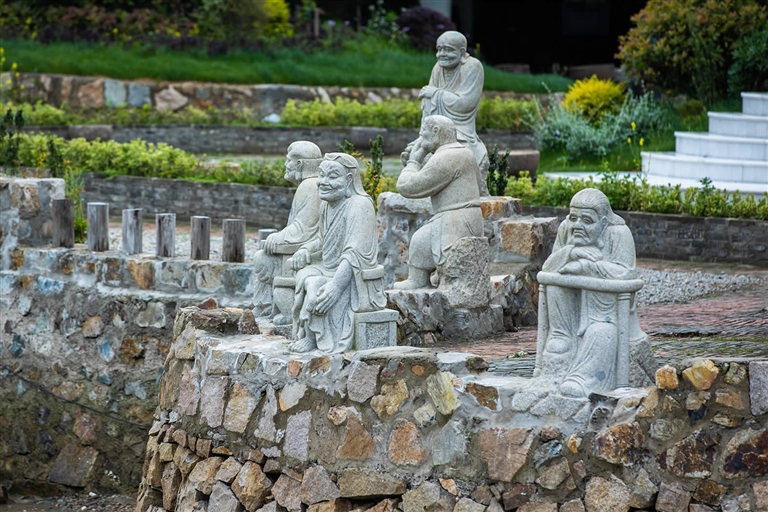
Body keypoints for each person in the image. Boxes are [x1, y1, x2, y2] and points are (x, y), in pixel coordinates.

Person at [537, 188, 647, 397]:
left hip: (605, 315)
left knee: (601, 334)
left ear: (603, 222)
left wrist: (585, 267)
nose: (578, 225)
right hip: (569, 316)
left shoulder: (618, 233)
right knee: (555, 284)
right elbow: (549, 267)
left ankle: (581, 379)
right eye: (574, 218)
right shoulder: (566, 228)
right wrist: (572, 251)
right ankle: (561, 335)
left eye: (587, 220)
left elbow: (624, 273)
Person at [288, 153, 386, 353]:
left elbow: (354, 253)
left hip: (354, 278)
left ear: (349, 180)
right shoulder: (327, 205)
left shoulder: (360, 205)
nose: (323, 182)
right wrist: (305, 250)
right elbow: (323, 241)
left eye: (332, 176)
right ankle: (309, 334)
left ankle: (314, 338)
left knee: (316, 284)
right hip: (330, 268)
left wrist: (336, 286)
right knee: (304, 274)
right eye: (321, 175)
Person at [393, 115, 483, 290]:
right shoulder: (464, 153)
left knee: (420, 240)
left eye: (423, 134)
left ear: (435, 132)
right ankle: (439, 275)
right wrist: (420, 163)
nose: (420, 139)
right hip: (470, 220)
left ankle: (418, 280)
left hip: (456, 221)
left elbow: (407, 186)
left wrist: (414, 161)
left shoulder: (447, 157)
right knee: (425, 236)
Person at [402, 30, 489, 196]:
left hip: (460, 129)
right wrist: (424, 136)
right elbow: (429, 102)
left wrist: (436, 93)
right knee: (427, 98)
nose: (442, 54)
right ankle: (424, 139)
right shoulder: (438, 68)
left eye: (448, 49)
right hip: (434, 132)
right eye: (439, 49)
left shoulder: (473, 66)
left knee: (431, 94)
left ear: (462, 52)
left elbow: (466, 103)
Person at [252, 141, 323, 318]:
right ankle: (265, 306)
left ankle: (283, 311)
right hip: (304, 248)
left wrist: (278, 236)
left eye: (288, 160)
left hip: (310, 253)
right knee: (263, 257)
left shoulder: (309, 185)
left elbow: (303, 228)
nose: (285, 164)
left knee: (262, 259)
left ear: (299, 164)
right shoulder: (310, 184)